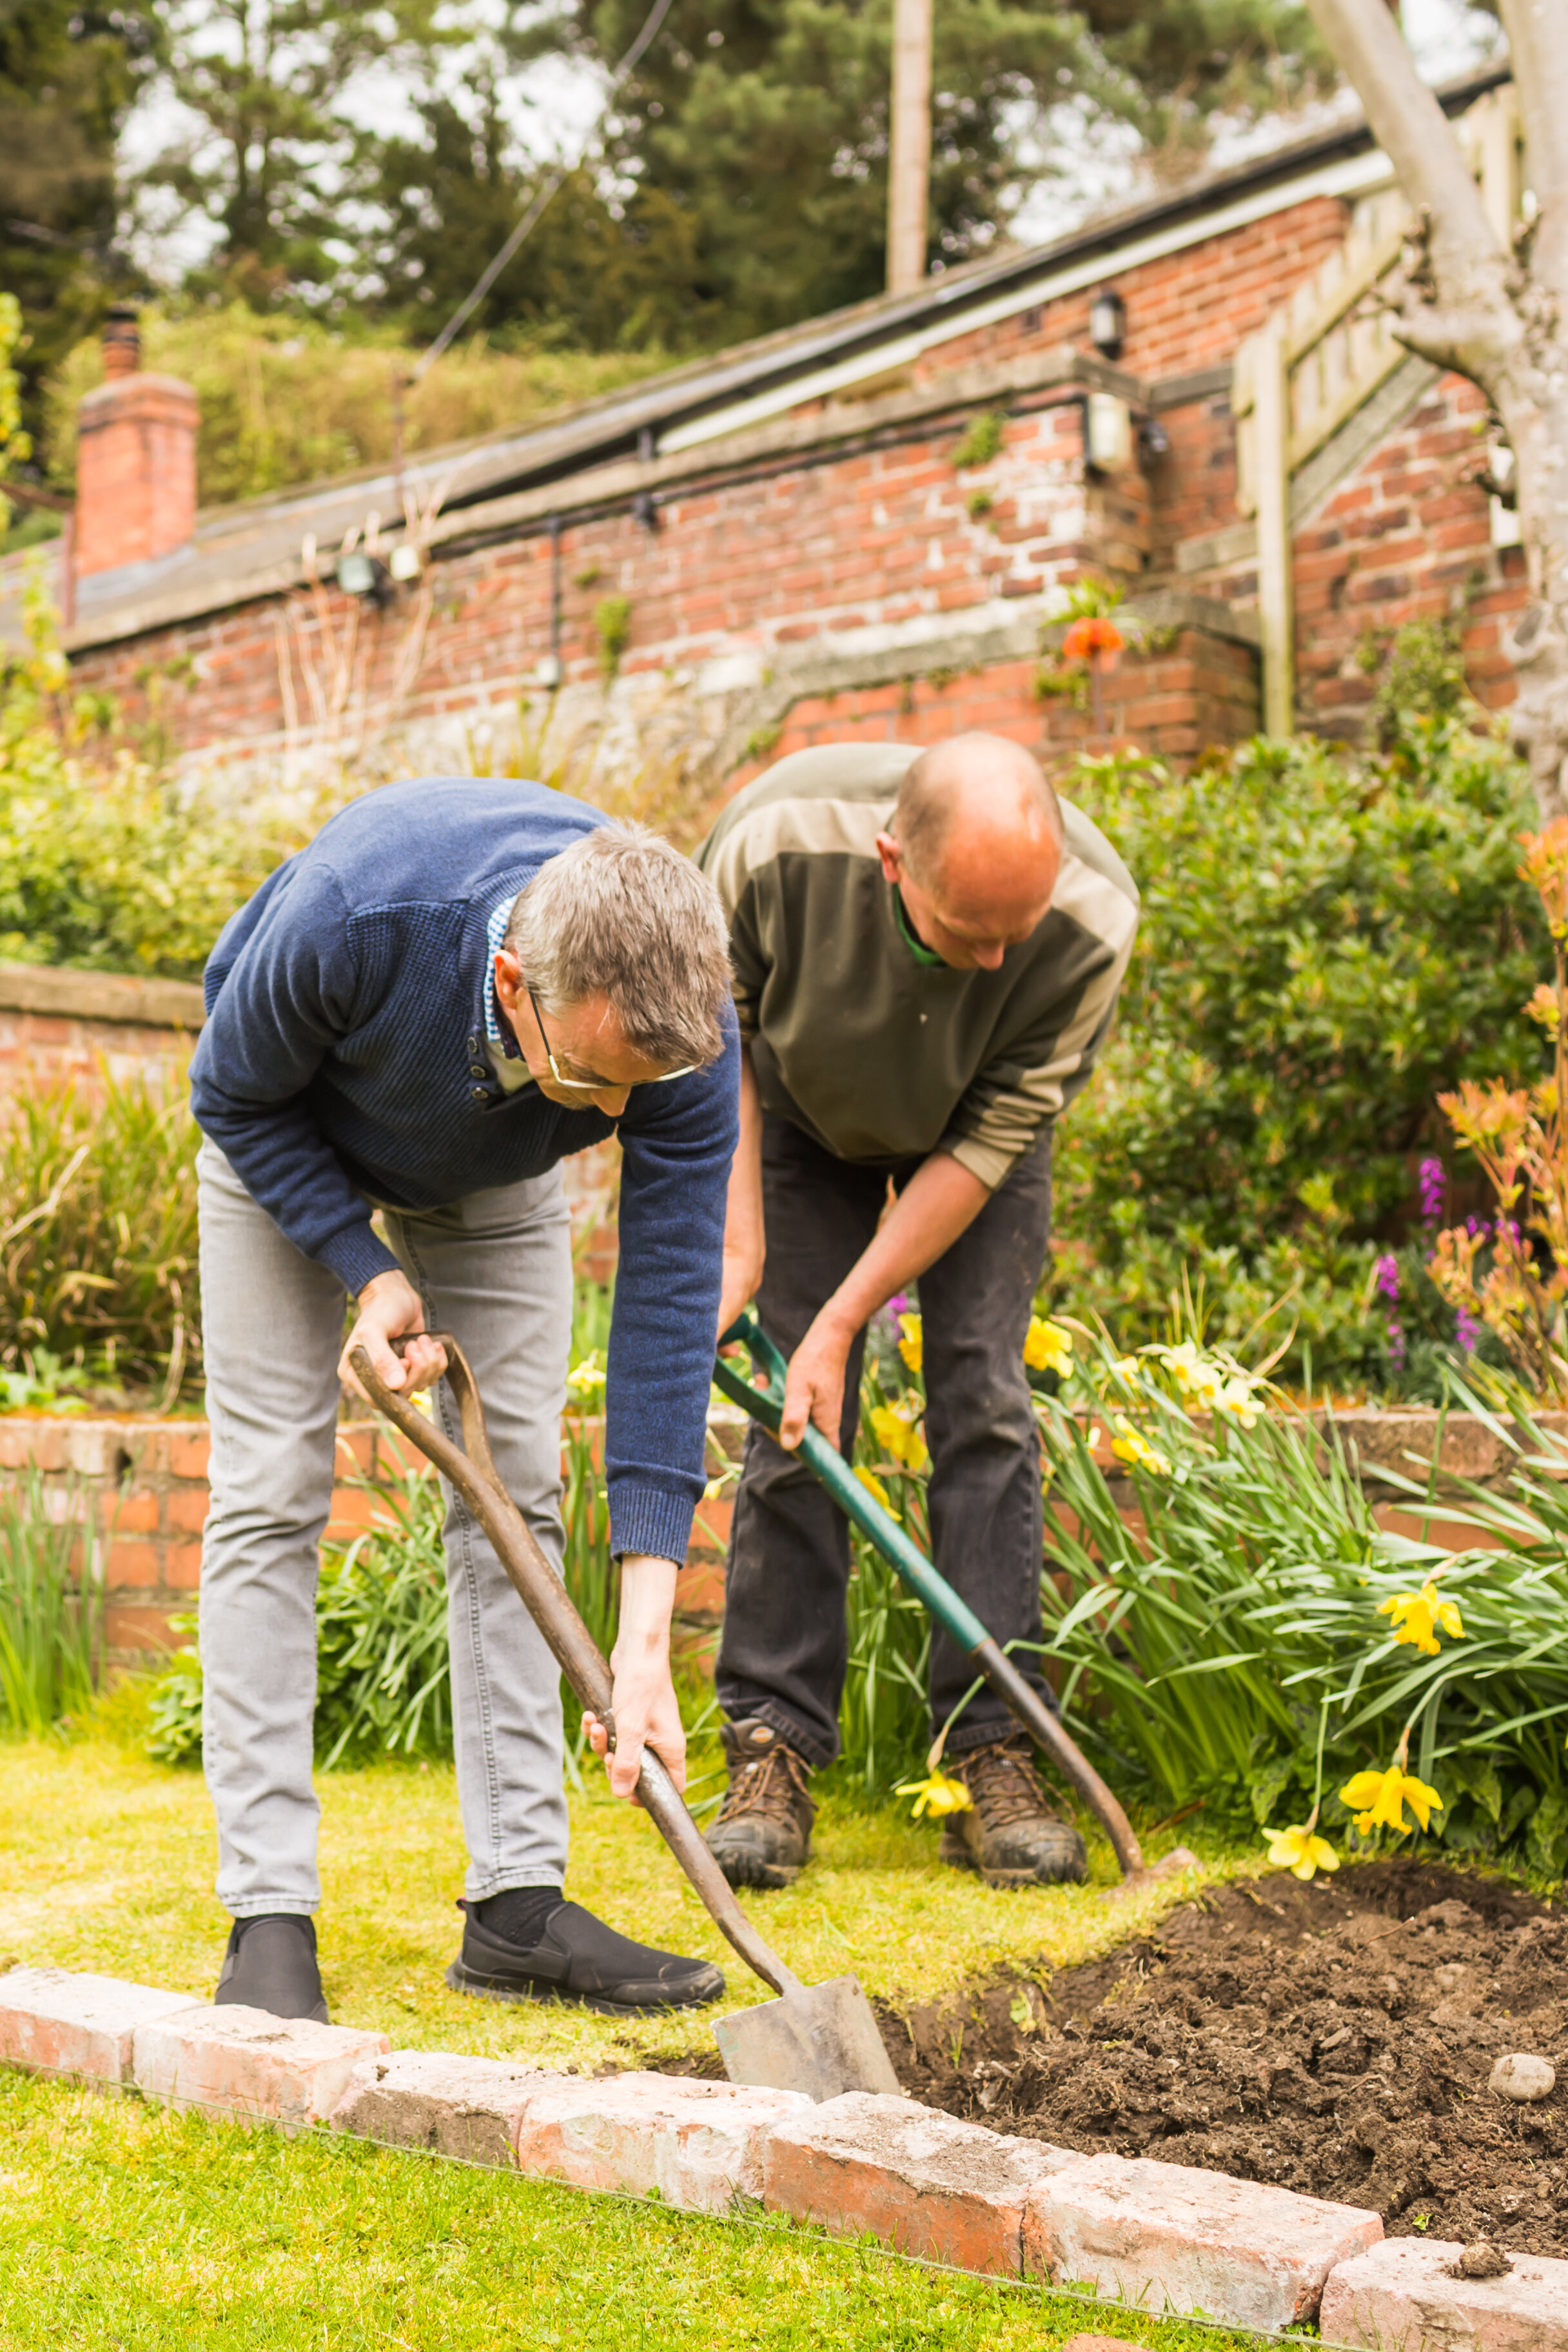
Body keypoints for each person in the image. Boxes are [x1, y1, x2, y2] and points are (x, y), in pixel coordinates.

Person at [188, 779, 740, 2023]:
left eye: (636, 1094)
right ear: (516, 990)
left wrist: (644, 1643)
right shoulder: (359, 912)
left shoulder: (680, 1027)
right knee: (273, 1495)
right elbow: (231, 1093)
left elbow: (662, 1314)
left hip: (489, 1169)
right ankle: (267, 1916)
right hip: (289, 1128)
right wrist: (364, 1266)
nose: (616, 1119)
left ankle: (517, 1909)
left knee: (517, 1495)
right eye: (598, 1082)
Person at [696, 733, 1137, 1890]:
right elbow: (710, 1043)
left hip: (974, 1141)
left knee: (983, 1399)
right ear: (890, 860)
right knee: (798, 1414)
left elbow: (992, 1140)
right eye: (966, 932)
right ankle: (772, 1747)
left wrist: (845, 1320)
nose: (997, 961)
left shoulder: (1090, 921)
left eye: (1017, 932)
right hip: (799, 1109)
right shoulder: (770, 845)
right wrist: (744, 1245)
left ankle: (995, 1748)